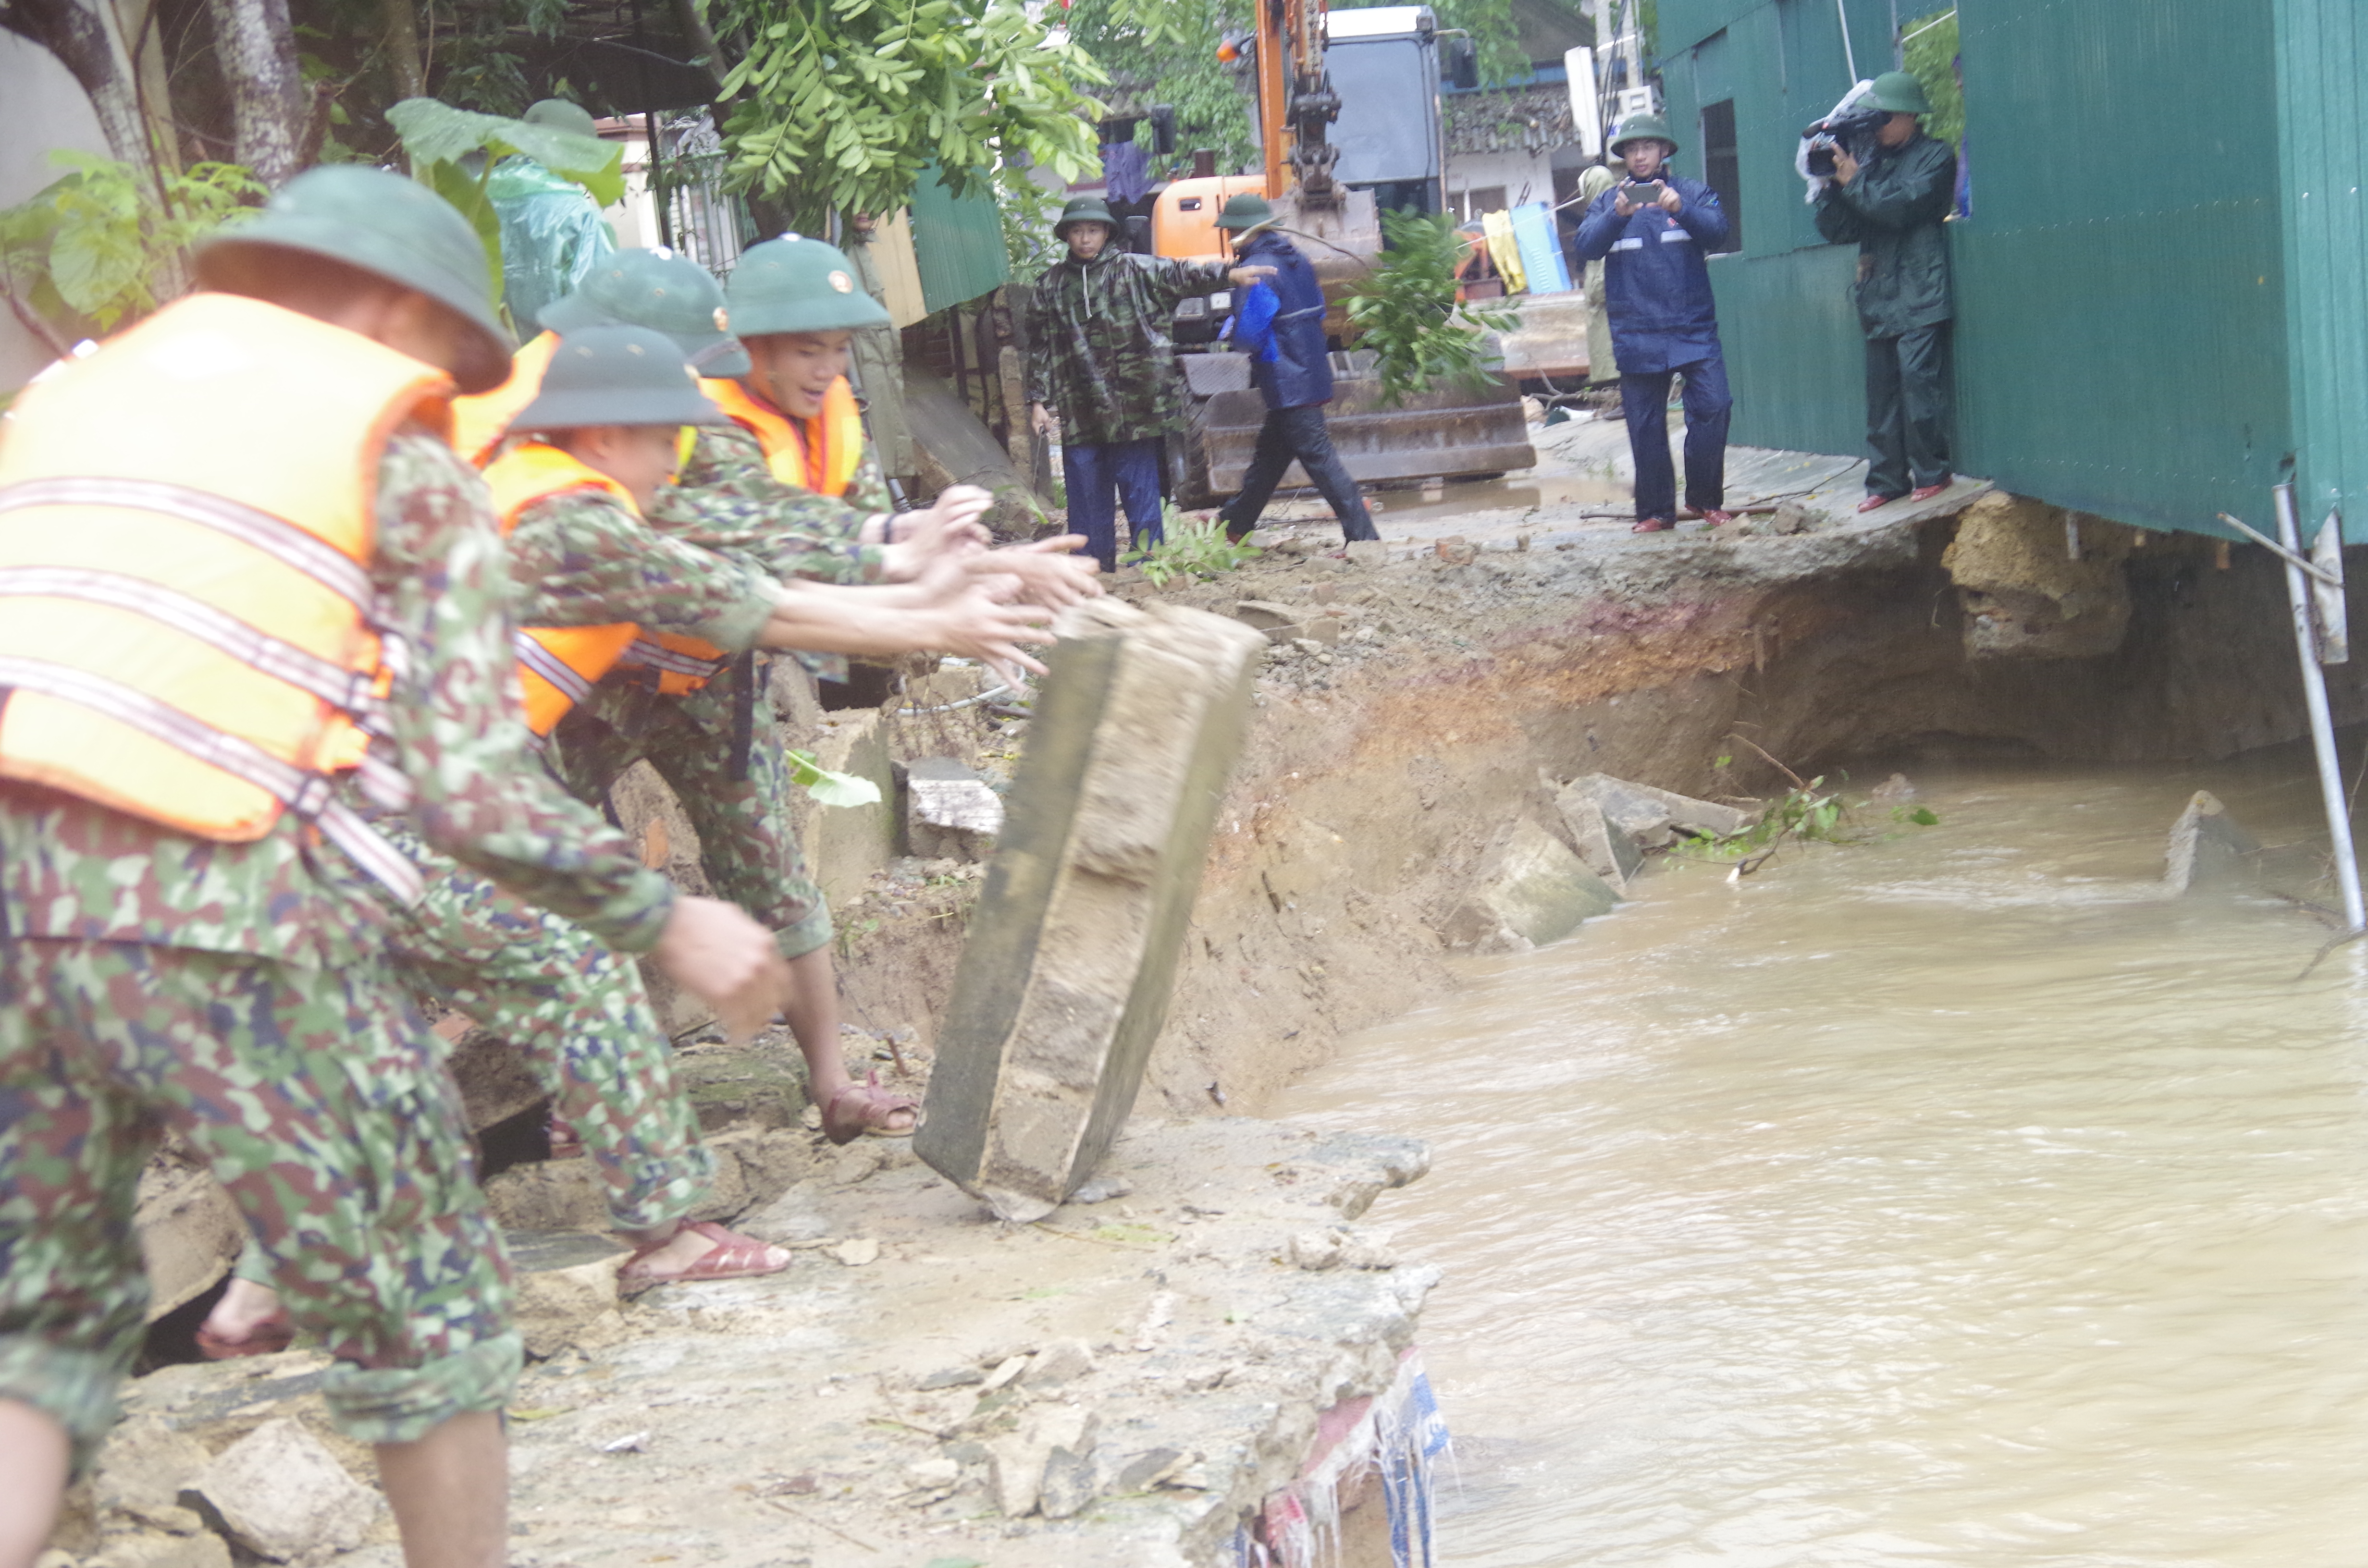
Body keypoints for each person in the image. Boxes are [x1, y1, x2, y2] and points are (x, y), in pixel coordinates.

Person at [0, 166, 785, 1568]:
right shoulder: (391, 459)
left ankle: (256, 1277)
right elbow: (469, 789)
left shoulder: (70, 405)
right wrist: (665, 917)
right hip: (228, 909)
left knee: (41, 1325)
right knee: (436, 1323)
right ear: (394, 312)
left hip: (22, 917)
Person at [197, 324, 1065, 1356]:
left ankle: (262, 1288)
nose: (676, 463)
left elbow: (749, 576)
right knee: (578, 961)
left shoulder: (520, 499)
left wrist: (932, 590)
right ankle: (665, 1228)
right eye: (665, 443)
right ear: (605, 434)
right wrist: (935, 620)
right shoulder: (570, 524)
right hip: (387, 808)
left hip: (307, 804)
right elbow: (745, 602)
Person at [1025, 197, 1269, 571]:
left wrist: (1228, 274)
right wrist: (1038, 401)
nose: (1085, 239)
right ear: (1067, 235)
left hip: (1135, 408)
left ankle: (1150, 565)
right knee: (1086, 494)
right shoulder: (1051, 287)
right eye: (1077, 231)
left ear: (1106, 232)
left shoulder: (1135, 270)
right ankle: (1091, 569)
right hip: (1080, 409)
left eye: (1092, 230)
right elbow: (1039, 346)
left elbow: (1183, 274)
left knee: (1141, 491)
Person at [1573, 112, 1736, 533]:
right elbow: (1587, 246)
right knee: (1645, 425)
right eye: (1631, 149)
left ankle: (1704, 500)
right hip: (1636, 331)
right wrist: (1617, 216)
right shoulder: (1609, 201)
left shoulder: (1692, 193)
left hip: (1693, 328)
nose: (1640, 155)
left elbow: (1718, 232)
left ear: (1665, 151)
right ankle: (1656, 512)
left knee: (1715, 406)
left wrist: (1681, 210)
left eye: (1648, 147)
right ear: (1623, 157)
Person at [1815, 70, 1959, 512]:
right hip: (1878, 292)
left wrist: (1856, 181)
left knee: (1918, 387)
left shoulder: (1936, 156)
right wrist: (1828, 187)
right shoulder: (1868, 161)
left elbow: (1899, 209)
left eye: (1883, 119)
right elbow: (1840, 230)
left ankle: (1933, 473)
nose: (1875, 128)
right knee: (1882, 397)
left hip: (1919, 289)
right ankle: (1886, 480)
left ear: (1910, 116)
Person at [1210, 194, 1382, 549]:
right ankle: (1233, 525)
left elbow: (1249, 335)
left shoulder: (1258, 269)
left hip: (1286, 379)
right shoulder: (1298, 260)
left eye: (1231, 231)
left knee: (1320, 460)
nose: (1229, 238)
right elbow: (1317, 312)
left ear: (1242, 232)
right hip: (1310, 372)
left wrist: (1232, 331)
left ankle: (1363, 536)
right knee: (1269, 460)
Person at [489, 98, 618, 337]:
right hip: (556, 362)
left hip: (482, 362)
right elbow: (601, 308)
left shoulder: (473, 196)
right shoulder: (579, 214)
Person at [843, 212, 916, 489]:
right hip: (862, 367)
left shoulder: (860, 248)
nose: (864, 209)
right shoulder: (840, 252)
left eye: (871, 200)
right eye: (855, 200)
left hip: (877, 360)